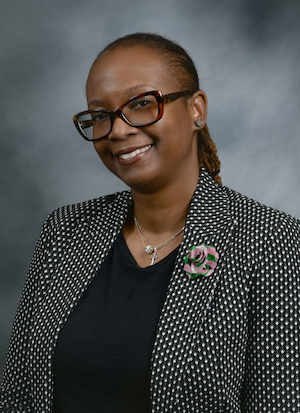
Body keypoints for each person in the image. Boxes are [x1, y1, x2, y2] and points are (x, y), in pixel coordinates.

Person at [0, 32, 299, 413]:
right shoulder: (65, 230)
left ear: (196, 110)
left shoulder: (271, 240)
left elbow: (281, 403)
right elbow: (19, 393)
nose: (119, 130)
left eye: (142, 104)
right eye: (101, 115)